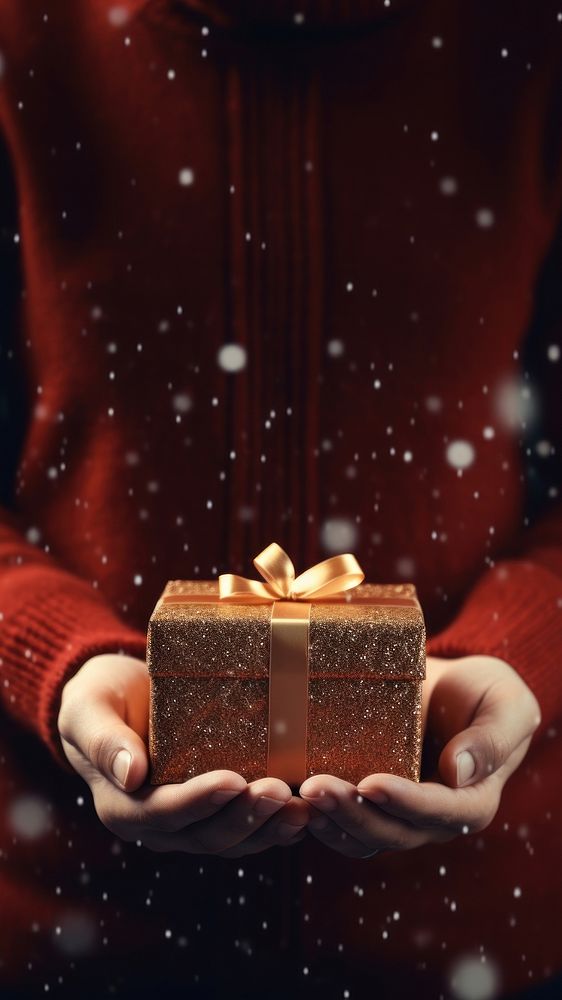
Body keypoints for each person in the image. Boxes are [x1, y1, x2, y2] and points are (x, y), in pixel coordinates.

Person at [0, 1, 561, 997]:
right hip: (73, 924)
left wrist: (518, 654)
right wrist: (59, 659)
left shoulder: (531, 42)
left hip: (473, 930)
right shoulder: (24, 39)